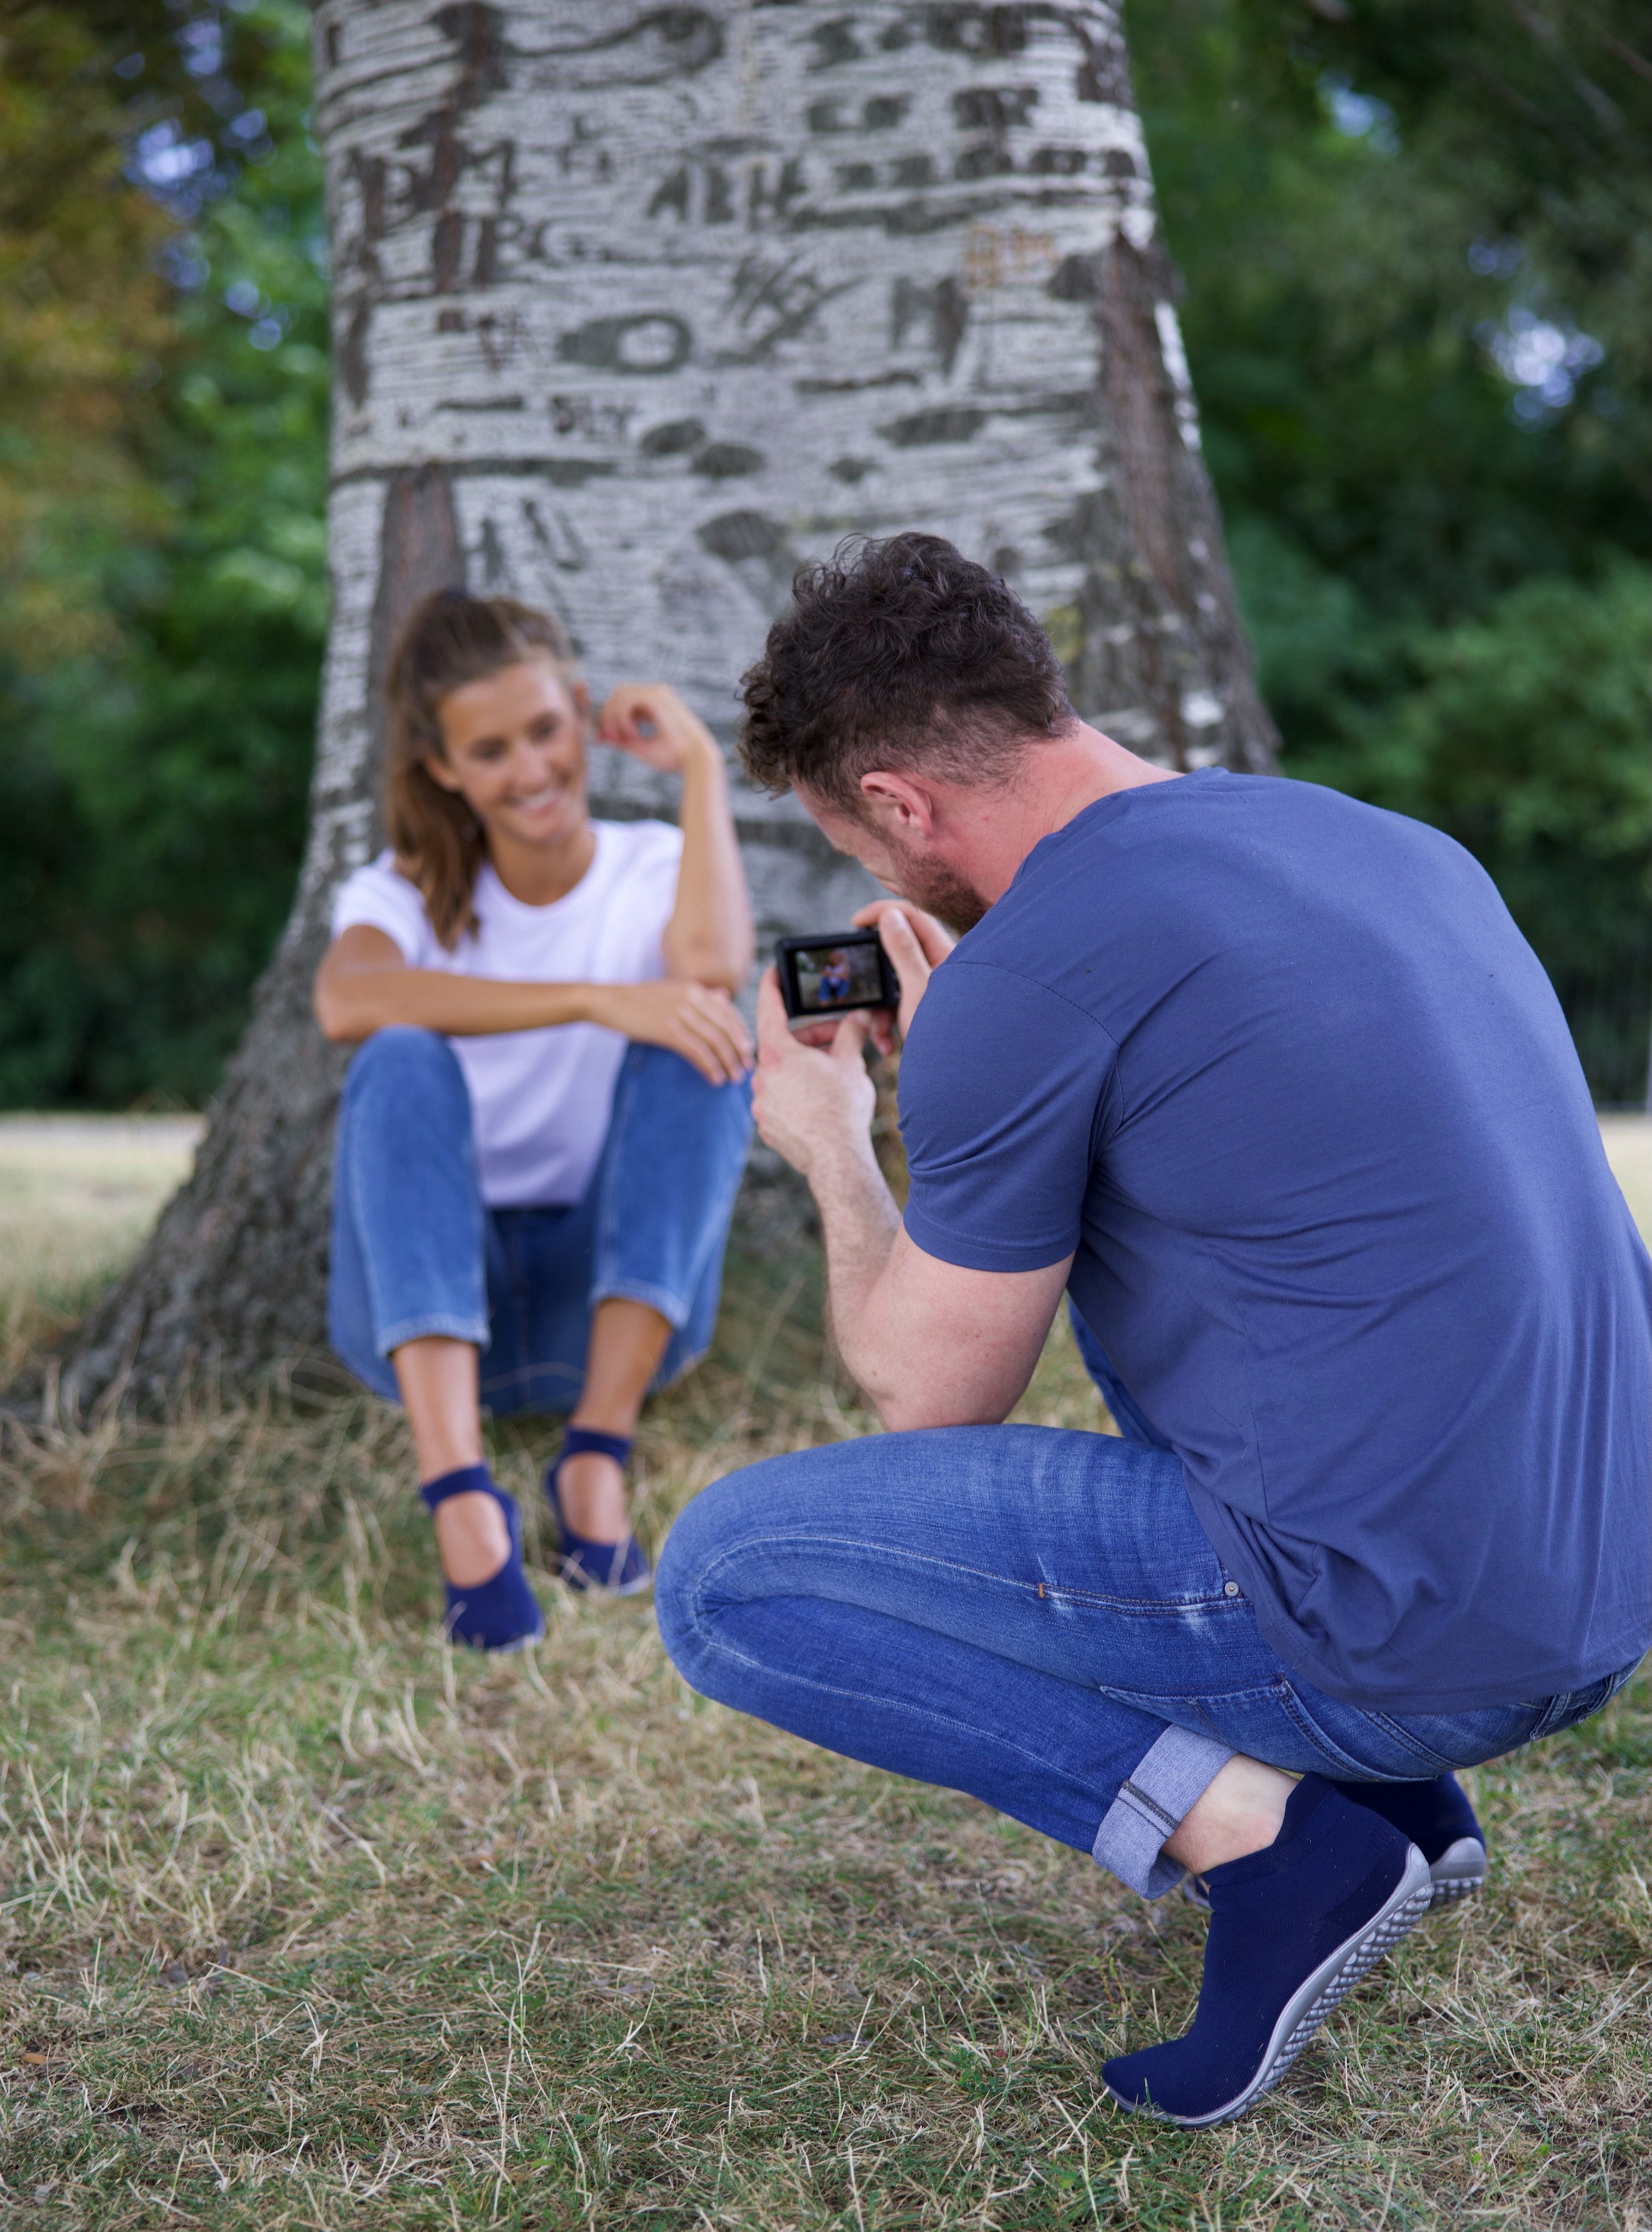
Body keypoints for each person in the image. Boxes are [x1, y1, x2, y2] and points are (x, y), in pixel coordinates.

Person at [654, 533, 1652, 2128]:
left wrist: (831, 1135)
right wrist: (979, 1044)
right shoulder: (1384, 845)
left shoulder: (1031, 979)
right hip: (1602, 1597)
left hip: (1407, 1639)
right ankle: (1397, 1794)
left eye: (852, 829)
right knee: (1195, 1262)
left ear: (901, 806)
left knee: (723, 1579)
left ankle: (1277, 1843)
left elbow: (931, 1385)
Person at [314, 589, 755, 1647]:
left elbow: (709, 973)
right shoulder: (399, 891)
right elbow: (347, 1002)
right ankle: (462, 1498)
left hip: (603, 1310)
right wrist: (595, 997)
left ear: (580, 710)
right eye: (491, 749)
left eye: (547, 731)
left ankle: (594, 1460)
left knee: (698, 1044)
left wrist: (701, 768)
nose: (531, 772)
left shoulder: (650, 866)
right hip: (423, 1317)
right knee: (401, 1055)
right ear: (444, 768)